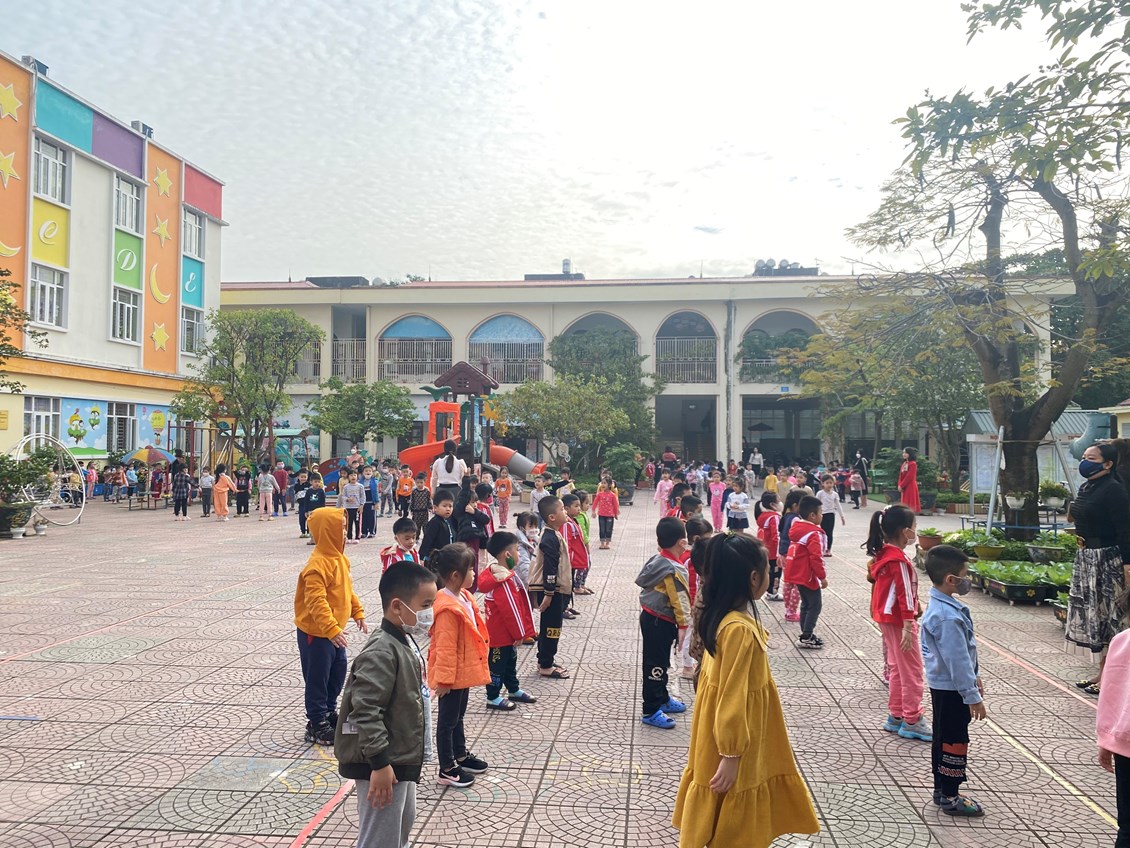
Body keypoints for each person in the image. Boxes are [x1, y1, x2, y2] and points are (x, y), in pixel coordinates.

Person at [672, 532, 820, 848]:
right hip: (736, 739)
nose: (770, 574)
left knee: (721, 795)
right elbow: (733, 697)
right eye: (767, 570)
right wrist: (731, 753)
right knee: (734, 799)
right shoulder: (738, 629)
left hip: (720, 734)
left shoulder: (722, 617)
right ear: (754, 578)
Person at [334, 560, 437, 848]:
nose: (430, 612)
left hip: (400, 757)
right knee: (380, 839)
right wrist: (379, 764)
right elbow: (365, 710)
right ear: (397, 607)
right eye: (425, 605)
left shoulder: (402, 639)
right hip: (382, 763)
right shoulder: (382, 650)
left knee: (399, 830)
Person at [920, 544, 987, 817]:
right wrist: (972, 696)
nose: (967, 580)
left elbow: (962, 657)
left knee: (942, 736)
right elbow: (957, 661)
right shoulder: (947, 617)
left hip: (944, 686)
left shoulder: (941, 607)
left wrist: (975, 676)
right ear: (951, 579)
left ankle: (941, 789)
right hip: (953, 690)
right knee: (955, 740)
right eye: (964, 575)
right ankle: (950, 796)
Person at [294, 507, 367, 745]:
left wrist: (357, 611)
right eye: (340, 528)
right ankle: (316, 723)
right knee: (318, 678)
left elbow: (347, 590)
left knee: (336, 674)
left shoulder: (340, 559)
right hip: (317, 634)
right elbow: (316, 602)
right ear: (326, 531)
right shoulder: (317, 566)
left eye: (345, 528)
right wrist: (331, 629)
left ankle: (328, 711)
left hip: (334, 632)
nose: (344, 533)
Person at [1068, 443, 1130, 697]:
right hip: (1087, 557)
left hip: (1108, 559)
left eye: (1091, 458)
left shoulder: (1114, 490)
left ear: (1108, 463)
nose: (1085, 462)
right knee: (1096, 617)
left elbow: (1125, 529)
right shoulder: (1087, 487)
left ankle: (1109, 676)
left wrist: (1127, 564)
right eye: (1084, 457)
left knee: (1111, 618)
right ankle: (1102, 672)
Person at [428, 543, 491, 788]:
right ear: (456, 575)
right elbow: (445, 648)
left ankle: (460, 755)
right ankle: (447, 768)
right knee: (447, 722)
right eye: (471, 569)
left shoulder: (463, 596)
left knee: (458, 716)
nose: (475, 573)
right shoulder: (446, 608)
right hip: (450, 676)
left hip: (462, 672)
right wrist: (444, 681)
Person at [867, 504, 931, 742]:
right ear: (905, 531)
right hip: (900, 621)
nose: (915, 531)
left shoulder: (883, 554)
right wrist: (908, 624)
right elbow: (904, 592)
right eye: (915, 526)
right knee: (912, 670)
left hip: (887, 618)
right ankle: (912, 719)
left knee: (896, 667)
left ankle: (896, 715)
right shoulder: (899, 560)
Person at [636, 516, 692, 729]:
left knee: (661, 661)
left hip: (653, 617)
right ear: (682, 542)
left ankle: (662, 698)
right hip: (659, 621)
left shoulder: (658, 560)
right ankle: (651, 709)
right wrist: (684, 625)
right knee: (655, 664)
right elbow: (679, 599)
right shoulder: (673, 569)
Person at [479, 531, 538, 711]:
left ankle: (513, 689)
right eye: (517, 550)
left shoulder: (502, 574)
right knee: (497, 666)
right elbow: (511, 611)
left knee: (510, 662)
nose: (519, 554)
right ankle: (493, 696)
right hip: (501, 636)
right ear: (507, 554)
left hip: (505, 634)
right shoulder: (503, 581)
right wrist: (520, 634)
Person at [1096, 586, 1130, 847]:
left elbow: (1111, 696)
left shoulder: (1122, 642)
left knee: (1127, 826)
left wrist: (1106, 740)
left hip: (1125, 744)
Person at [529, 496, 571, 679]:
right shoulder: (550, 538)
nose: (565, 511)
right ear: (552, 517)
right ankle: (545, 664)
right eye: (562, 509)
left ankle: (545, 659)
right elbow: (550, 566)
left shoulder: (553, 534)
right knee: (552, 627)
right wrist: (548, 593)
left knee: (550, 626)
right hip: (550, 590)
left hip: (552, 589)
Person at [784, 496, 828, 650]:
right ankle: (807, 635)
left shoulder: (797, 528)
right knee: (815, 605)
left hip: (796, 572)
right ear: (812, 515)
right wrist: (822, 577)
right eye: (821, 512)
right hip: (807, 575)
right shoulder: (813, 533)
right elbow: (816, 557)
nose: (822, 515)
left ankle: (805, 633)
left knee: (806, 603)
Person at [778, 489, 805, 623]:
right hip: (793, 554)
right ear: (795, 505)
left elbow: (780, 535)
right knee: (797, 584)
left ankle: (787, 609)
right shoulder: (796, 519)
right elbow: (797, 536)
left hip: (784, 553)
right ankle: (792, 611)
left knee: (788, 582)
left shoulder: (785, 517)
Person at [754, 491, 782, 601]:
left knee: (765, 572)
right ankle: (773, 593)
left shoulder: (762, 516)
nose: (780, 503)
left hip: (764, 550)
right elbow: (777, 536)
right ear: (772, 504)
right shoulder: (774, 517)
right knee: (775, 573)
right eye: (778, 500)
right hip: (773, 552)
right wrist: (780, 553)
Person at [419, 488, 456, 566]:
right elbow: (427, 540)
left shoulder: (448, 521)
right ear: (435, 508)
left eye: (450, 506)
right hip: (436, 559)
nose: (448, 509)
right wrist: (422, 557)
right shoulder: (434, 523)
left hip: (447, 557)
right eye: (444, 506)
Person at [816, 474, 846, 551]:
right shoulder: (820, 493)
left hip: (831, 514)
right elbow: (816, 504)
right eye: (827, 483)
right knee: (823, 532)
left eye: (831, 483)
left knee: (829, 532)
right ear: (823, 483)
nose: (829, 485)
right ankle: (822, 547)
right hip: (822, 515)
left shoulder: (835, 494)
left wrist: (842, 516)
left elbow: (838, 505)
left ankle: (828, 549)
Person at [337, 470, 365, 542]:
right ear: (348, 477)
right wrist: (347, 499)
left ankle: (357, 537)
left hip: (357, 507)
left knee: (357, 523)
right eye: (351, 475)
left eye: (354, 475)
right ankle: (349, 537)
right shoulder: (346, 487)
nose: (353, 477)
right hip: (348, 508)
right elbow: (343, 496)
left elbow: (363, 496)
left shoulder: (360, 486)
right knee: (348, 523)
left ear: (357, 476)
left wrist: (361, 505)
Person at [514, 511, 538, 592]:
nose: (534, 529)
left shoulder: (534, 540)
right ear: (522, 528)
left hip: (533, 580)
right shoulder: (519, 544)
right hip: (524, 584)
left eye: (535, 526)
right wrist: (531, 583)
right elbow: (524, 565)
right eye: (530, 526)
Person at [592, 481, 620, 549]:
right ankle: (602, 543)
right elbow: (595, 502)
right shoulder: (600, 494)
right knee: (602, 529)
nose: (603, 484)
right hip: (601, 515)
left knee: (608, 529)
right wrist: (593, 511)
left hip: (610, 515)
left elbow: (615, 505)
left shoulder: (612, 495)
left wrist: (616, 514)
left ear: (609, 485)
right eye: (602, 483)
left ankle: (607, 543)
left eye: (605, 483)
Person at [409, 473, 433, 539]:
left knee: (425, 526)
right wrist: (411, 509)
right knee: (416, 526)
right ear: (415, 482)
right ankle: (416, 538)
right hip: (416, 512)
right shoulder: (414, 491)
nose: (419, 484)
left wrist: (430, 507)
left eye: (421, 482)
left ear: (424, 482)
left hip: (424, 511)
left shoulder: (427, 491)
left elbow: (429, 500)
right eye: (418, 483)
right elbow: (412, 500)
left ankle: (426, 538)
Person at [898, 448, 921, 514]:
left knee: (910, 502)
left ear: (910, 454)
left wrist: (902, 485)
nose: (904, 454)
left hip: (910, 486)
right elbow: (900, 476)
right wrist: (899, 485)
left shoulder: (913, 464)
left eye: (906, 453)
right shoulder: (904, 464)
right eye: (903, 453)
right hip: (904, 486)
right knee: (904, 503)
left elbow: (909, 476)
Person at [361, 465, 379, 539]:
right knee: (363, 518)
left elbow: (376, 493)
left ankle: (372, 532)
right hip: (363, 503)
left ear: (372, 473)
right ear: (363, 473)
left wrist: (376, 502)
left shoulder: (375, 482)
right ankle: (364, 532)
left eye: (369, 471)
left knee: (372, 517)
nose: (368, 472)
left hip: (371, 502)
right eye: (366, 471)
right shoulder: (360, 482)